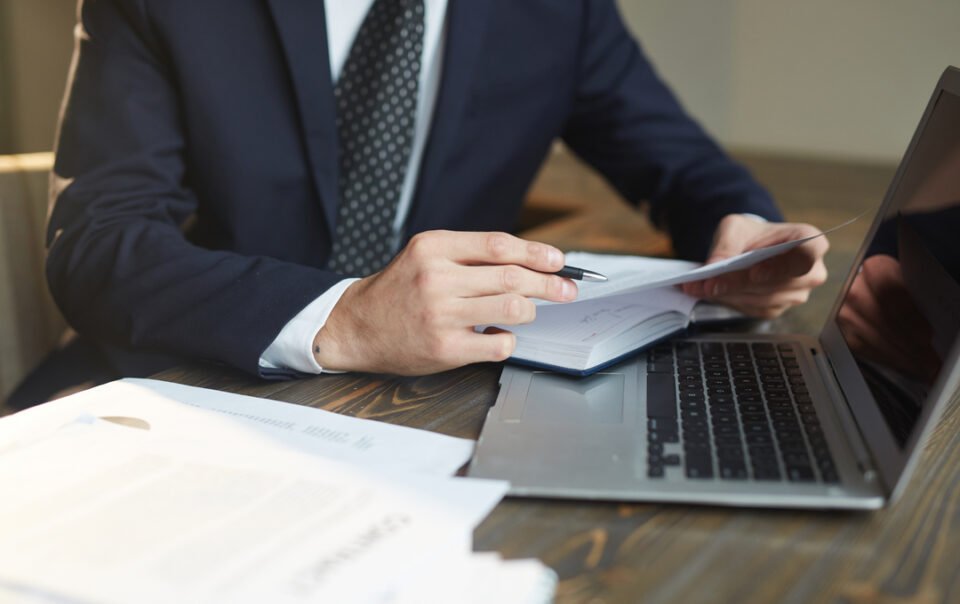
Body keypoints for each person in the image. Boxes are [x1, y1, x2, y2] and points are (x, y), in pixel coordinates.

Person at [7, 0, 827, 408]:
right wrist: (349, 320)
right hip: (184, 385)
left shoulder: (558, 11)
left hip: (430, 404)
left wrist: (740, 228)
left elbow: (679, 163)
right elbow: (96, 239)